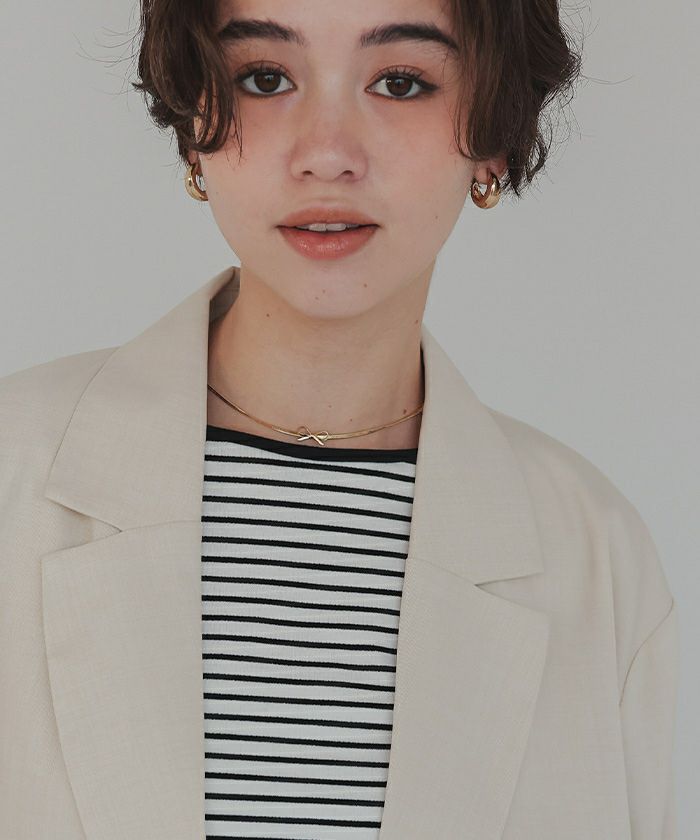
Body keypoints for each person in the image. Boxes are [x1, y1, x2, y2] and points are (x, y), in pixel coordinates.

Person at [0, 1, 678, 838]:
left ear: (494, 132)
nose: (326, 154)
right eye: (264, 79)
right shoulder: (14, 477)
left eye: (401, 82)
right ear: (194, 118)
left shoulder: (595, 558)